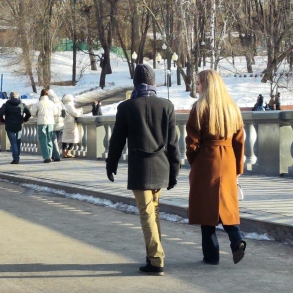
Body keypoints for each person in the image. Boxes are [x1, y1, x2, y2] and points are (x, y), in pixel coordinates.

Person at [106, 66, 180, 276]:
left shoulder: (127, 107)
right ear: (153, 82)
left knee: (147, 214)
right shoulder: (167, 106)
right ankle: (153, 255)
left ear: (135, 82)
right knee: (153, 211)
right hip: (161, 166)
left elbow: (117, 141)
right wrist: (174, 171)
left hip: (139, 168)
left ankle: (156, 259)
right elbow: (173, 144)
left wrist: (111, 164)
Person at [186, 69, 247, 266]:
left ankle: (211, 256)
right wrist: (237, 168)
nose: (196, 87)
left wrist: (194, 160)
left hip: (207, 160)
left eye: (198, 83)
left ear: (206, 85)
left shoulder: (200, 108)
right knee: (227, 205)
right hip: (228, 159)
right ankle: (236, 238)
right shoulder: (232, 109)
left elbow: (192, 141)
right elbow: (239, 142)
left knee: (206, 210)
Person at [0, 91, 31, 164]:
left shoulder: (6, 104)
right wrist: (24, 119)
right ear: (17, 97)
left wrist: (2, 120)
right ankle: (17, 157)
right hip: (19, 125)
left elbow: (0, 112)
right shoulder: (22, 104)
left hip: (9, 126)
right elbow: (29, 113)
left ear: (10, 97)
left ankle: (16, 158)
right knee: (18, 142)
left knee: (13, 143)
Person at [30, 89, 57, 163]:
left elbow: (32, 113)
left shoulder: (38, 103)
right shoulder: (51, 103)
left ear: (41, 95)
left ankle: (46, 157)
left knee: (43, 140)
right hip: (51, 122)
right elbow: (56, 112)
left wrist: (38, 114)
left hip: (42, 123)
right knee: (49, 139)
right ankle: (50, 155)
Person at [48, 90, 64, 162]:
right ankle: (55, 155)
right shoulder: (59, 102)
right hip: (60, 123)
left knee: (53, 140)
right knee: (57, 140)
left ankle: (56, 156)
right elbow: (65, 111)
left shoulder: (49, 103)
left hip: (52, 123)